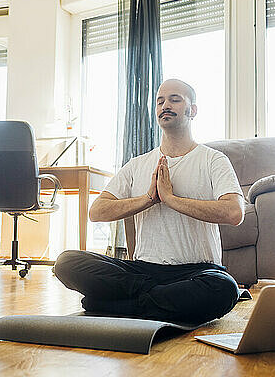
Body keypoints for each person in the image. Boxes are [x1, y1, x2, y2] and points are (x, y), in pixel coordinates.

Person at [53, 79, 245, 325]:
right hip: (142, 271)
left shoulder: (213, 160)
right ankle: (152, 302)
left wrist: (172, 199)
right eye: (160, 101)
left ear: (192, 110)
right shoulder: (137, 165)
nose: (165, 105)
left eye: (175, 99)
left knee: (224, 288)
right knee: (67, 262)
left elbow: (233, 212)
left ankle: (109, 304)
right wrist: (148, 200)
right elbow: (97, 211)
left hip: (196, 272)